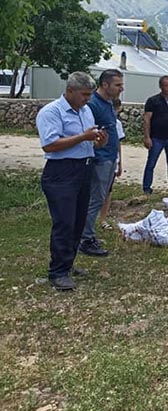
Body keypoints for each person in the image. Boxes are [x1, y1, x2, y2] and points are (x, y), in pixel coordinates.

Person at [36, 72, 108, 291]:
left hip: (83, 169)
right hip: (61, 173)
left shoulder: (85, 112)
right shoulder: (51, 112)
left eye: (89, 95)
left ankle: (67, 263)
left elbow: (87, 144)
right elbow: (50, 145)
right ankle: (57, 272)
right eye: (84, 94)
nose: (87, 99)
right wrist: (83, 137)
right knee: (64, 222)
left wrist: (98, 142)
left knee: (78, 221)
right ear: (70, 91)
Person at [78, 69, 125, 257]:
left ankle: (87, 234)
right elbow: (88, 132)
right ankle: (85, 239)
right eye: (118, 85)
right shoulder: (93, 105)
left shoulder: (107, 103)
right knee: (95, 198)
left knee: (100, 197)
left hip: (110, 157)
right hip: (100, 159)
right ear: (105, 85)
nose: (122, 88)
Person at [98, 99, 126, 231]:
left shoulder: (117, 123)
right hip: (100, 160)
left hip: (113, 160)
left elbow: (117, 143)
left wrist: (119, 161)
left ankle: (102, 219)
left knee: (108, 192)